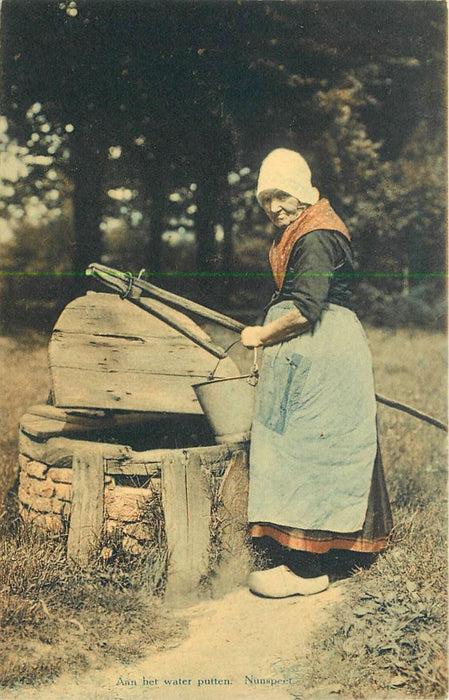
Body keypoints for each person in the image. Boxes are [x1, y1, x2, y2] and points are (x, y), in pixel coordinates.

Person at [240, 148, 392, 598]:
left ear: (304, 191)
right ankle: (336, 553)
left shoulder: (317, 235)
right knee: (300, 443)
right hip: (309, 352)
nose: (275, 208)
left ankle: (306, 569)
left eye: (283, 195)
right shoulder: (300, 232)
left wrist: (263, 336)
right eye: (267, 199)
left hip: (324, 350)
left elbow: (307, 309)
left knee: (312, 445)